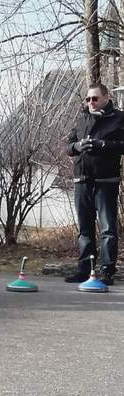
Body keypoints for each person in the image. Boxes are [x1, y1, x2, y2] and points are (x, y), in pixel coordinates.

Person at [65, 83, 124, 285]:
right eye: (88, 99)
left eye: (95, 98)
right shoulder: (82, 118)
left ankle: (107, 270)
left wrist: (103, 145)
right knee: (84, 229)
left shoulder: (118, 118)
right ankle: (84, 269)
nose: (91, 102)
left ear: (106, 98)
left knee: (107, 229)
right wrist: (77, 146)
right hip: (82, 180)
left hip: (106, 181)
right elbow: (68, 147)